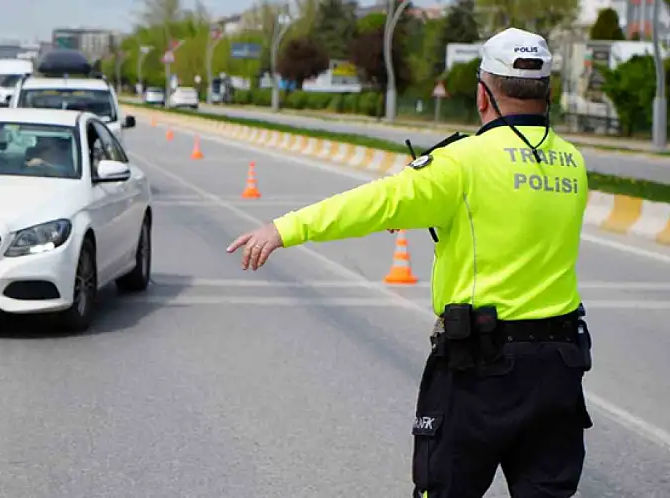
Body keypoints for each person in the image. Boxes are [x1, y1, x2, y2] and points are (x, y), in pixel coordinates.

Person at [226, 27, 593, 498]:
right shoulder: (572, 162)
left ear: (483, 94)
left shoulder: (463, 162)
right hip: (559, 369)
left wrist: (283, 229)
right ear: (548, 93)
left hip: (481, 371)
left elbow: (376, 203)